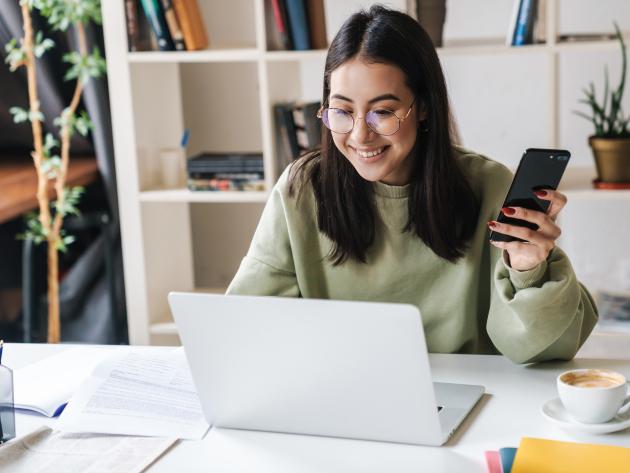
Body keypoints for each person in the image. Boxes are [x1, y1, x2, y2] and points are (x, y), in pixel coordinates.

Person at [227, 6, 597, 364]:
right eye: (341, 111)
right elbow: (245, 328)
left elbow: (546, 351)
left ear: (422, 107)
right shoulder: (300, 190)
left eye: (383, 112)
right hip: (339, 394)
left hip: (473, 400)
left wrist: (528, 269)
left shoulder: (490, 187)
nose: (360, 135)